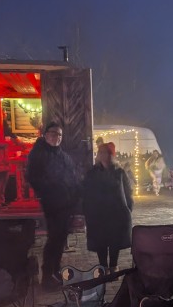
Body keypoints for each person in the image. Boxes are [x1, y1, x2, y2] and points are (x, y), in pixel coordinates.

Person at [26, 122, 80, 291]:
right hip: (52, 202)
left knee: (61, 238)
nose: (57, 137)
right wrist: (50, 189)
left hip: (66, 203)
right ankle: (48, 275)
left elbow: (72, 174)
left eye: (60, 135)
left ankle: (55, 272)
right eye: (54, 134)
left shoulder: (62, 155)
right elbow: (33, 177)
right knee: (54, 238)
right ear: (46, 134)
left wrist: (75, 190)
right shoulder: (39, 154)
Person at [83, 142, 133, 271]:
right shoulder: (92, 173)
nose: (101, 155)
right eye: (100, 152)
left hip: (116, 213)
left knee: (115, 240)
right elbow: (86, 192)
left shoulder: (119, 172)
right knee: (101, 241)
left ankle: (114, 265)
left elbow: (128, 192)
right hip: (98, 213)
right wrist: (87, 210)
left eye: (105, 152)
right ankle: (103, 266)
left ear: (111, 155)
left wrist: (128, 208)